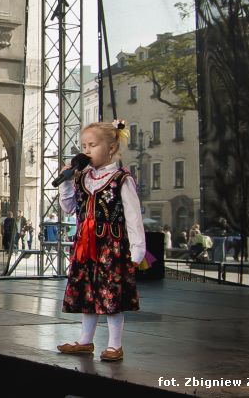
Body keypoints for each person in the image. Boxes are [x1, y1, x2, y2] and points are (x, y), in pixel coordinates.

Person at [56, 120, 146, 363]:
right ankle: (85, 341)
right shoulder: (82, 178)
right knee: (88, 292)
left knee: (111, 294)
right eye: (84, 146)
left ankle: (115, 344)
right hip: (85, 246)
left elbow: (133, 217)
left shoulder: (121, 179)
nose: (86, 150)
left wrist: (137, 251)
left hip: (111, 246)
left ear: (111, 148)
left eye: (92, 145)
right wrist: (66, 182)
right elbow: (69, 208)